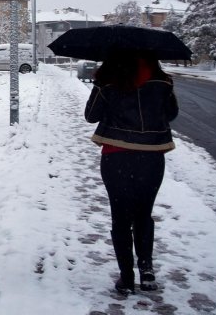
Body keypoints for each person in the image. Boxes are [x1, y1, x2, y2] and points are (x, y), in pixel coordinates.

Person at [84, 50, 179, 296]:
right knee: (144, 214)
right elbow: (171, 115)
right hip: (152, 156)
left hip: (116, 155)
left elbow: (90, 115)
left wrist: (100, 87)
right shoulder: (163, 81)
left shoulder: (108, 80)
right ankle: (147, 271)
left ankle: (127, 277)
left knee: (121, 217)